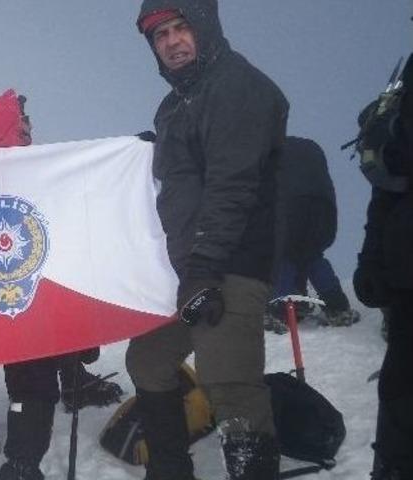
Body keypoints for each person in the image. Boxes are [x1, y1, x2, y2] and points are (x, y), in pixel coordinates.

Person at [126, 2, 289, 479]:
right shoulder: (177, 104)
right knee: (148, 360)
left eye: (181, 28)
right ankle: (171, 471)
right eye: (160, 36)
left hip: (229, 263)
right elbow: (183, 179)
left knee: (230, 383)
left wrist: (204, 269)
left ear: (205, 27)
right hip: (189, 268)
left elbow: (232, 184)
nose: (173, 42)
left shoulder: (236, 86)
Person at [0, 89, 58, 480]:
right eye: (23, 118)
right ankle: (23, 465)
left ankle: (20, 458)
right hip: (30, 298)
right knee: (34, 384)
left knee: (24, 381)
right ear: (11, 123)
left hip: (2, 296)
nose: (29, 124)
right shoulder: (35, 170)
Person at [353, 53, 413, 479]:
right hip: (403, 276)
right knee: (399, 397)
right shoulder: (403, 90)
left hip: (401, 269)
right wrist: (371, 259)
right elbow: (388, 180)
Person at [265, 136, 361, 332]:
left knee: (284, 256)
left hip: (290, 209)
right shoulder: (307, 148)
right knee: (312, 255)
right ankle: (338, 307)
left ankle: (283, 311)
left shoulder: (267, 151)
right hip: (323, 211)